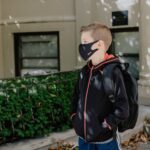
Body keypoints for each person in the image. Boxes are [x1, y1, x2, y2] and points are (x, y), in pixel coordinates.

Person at [70, 22, 129, 150]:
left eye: (85, 42)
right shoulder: (84, 71)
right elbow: (76, 96)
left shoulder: (113, 72)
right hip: (83, 139)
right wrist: (74, 117)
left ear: (100, 44)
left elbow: (123, 108)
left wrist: (106, 125)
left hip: (106, 141)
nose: (82, 46)